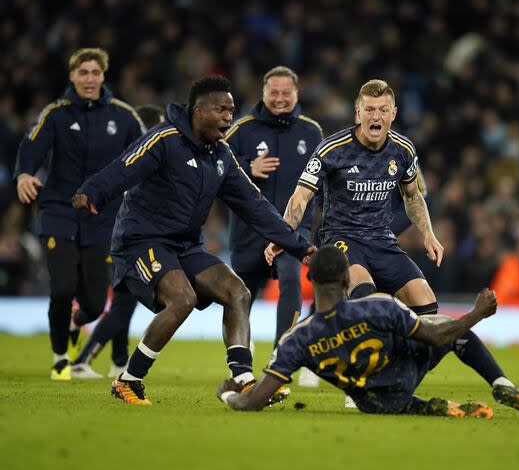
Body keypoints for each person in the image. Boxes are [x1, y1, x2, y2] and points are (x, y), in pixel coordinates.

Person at [73, 76, 316, 405]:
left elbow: (255, 206)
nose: (229, 117)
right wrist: (93, 191)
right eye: (221, 110)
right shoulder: (164, 139)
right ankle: (129, 380)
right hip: (140, 241)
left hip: (184, 245)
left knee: (237, 291)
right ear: (198, 111)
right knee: (182, 298)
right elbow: (125, 166)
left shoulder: (222, 156)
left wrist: (301, 247)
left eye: (231, 110)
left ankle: (243, 379)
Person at [216, 245, 519, 419]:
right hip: (407, 369)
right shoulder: (379, 306)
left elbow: (252, 402)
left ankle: (426, 407)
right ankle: (501, 386)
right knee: (450, 329)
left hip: (373, 401)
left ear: (311, 282)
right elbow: (438, 337)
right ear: (347, 280)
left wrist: (229, 394)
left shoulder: (297, 339)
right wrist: (477, 314)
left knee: (381, 395)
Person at [14, 47, 145, 380]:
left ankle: (76, 323)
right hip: (59, 211)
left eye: (95, 72)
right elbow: (31, 145)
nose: (89, 78)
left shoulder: (125, 116)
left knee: (94, 303)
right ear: (72, 76)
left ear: (103, 76)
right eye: (83, 72)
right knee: (61, 289)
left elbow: (147, 154)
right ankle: (60, 358)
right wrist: (25, 173)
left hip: (103, 217)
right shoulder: (55, 114)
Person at [265, 79, 443, 317]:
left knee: (427, 305)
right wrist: (284, 235)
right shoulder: (332, 150)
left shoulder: (403, 150)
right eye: (369, 109)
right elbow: (301, 197)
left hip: (382, 240)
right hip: (341, 237)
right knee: (365, 296)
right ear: (358, 113)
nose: (376, 116)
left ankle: (401, 354)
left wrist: (428, 234)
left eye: (383, 110)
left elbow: (412, 196)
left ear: (394, 113)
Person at [224, 66, 322, 350]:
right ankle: (240, 357)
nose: (280, 98)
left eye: (286, 92)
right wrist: (247, 168)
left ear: (296, 93)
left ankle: (283, 352)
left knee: (291, 278)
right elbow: (216, 169)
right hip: (248, 230)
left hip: (292, 230)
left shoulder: (312, 131)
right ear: (263, 93)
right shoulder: (241, 130)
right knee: (239, 297)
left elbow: (324, 178)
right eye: (274, 92)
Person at [70, 104, 166, 378]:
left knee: (125, 301)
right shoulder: (143, 158)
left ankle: (119, 360)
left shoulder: (135, 157)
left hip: (118, 235)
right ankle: (83, 360)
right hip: (124, 237)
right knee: (124, 303)